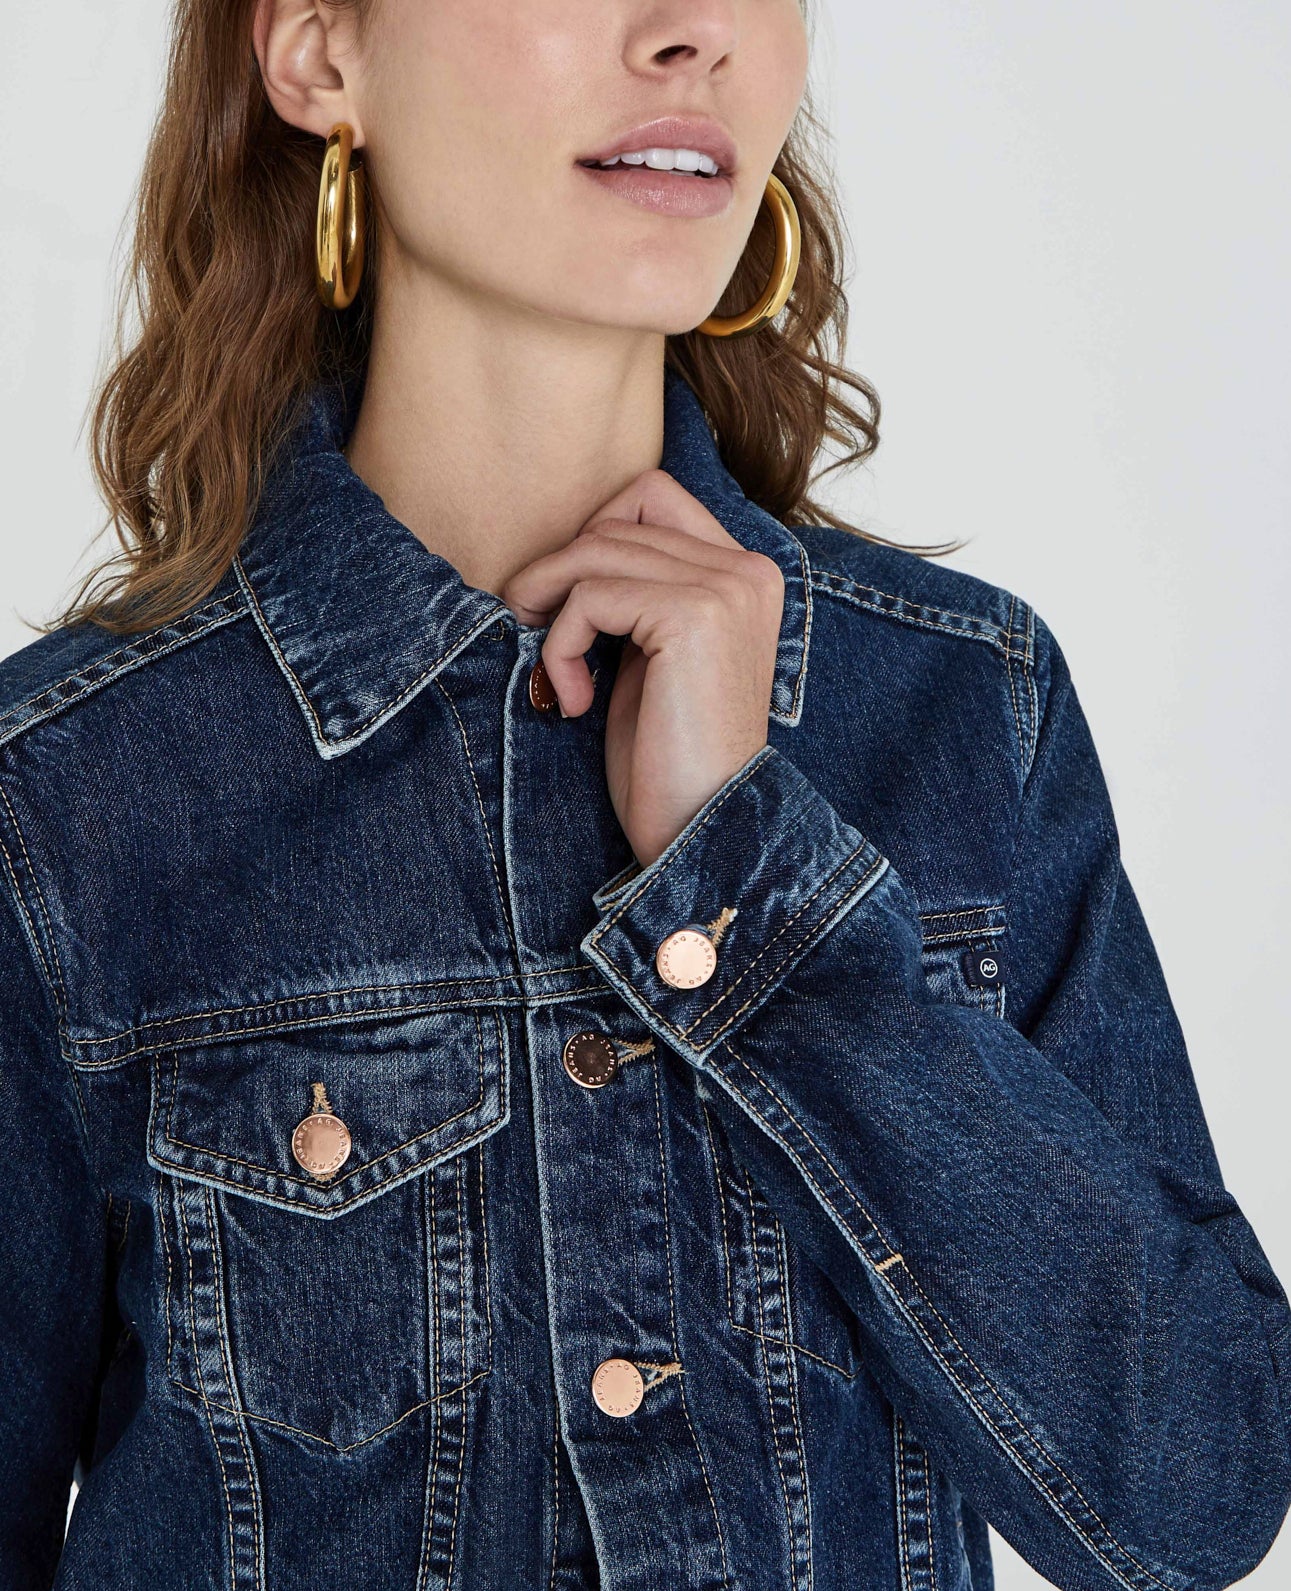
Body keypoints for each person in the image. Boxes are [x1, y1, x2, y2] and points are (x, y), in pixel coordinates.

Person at [1, 0, 1288, 1586]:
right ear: (321, 54)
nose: (695, 31)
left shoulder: (961, 709)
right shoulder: (63, 802)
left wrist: (747, 875)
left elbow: (1196, 1495)